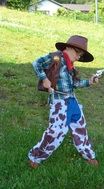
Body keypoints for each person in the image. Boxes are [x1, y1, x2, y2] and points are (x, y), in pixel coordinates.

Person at [28, 35, 99, 168]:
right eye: (78, 53)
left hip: (73, 102)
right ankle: (35, 157)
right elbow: (36, 63)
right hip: (60, 103)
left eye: (81, 55)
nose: (79, 57)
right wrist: (44, 79)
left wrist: (90, 81)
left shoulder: (71, 67)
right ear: (69, 48)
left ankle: (89, 155)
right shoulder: (56, 57)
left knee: (80, 130)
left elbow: (75, 84)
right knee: (55, 132)